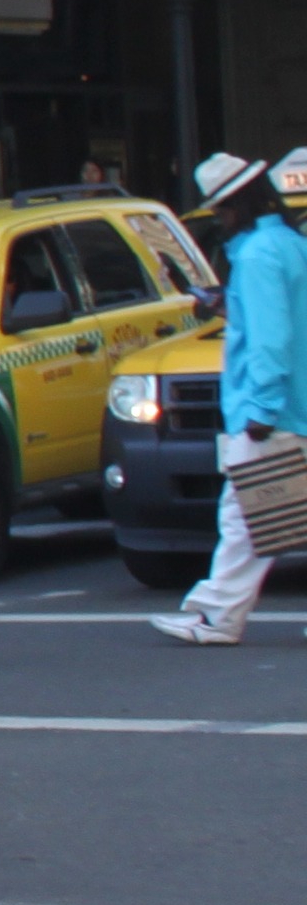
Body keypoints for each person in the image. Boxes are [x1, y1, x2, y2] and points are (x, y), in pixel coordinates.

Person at [156, 145, 307, 648]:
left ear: (238, 204)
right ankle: (218, 612)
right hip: (293, 401)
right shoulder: (286, 243)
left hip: (272, 408)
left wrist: (261, 409)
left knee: (243, 515)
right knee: (252, 515)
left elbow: (270, 338)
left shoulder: (259, 255)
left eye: (220, 208)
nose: (218, 218)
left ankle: (218, 614)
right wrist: (227, 305)